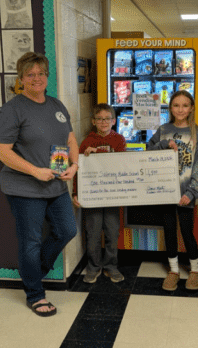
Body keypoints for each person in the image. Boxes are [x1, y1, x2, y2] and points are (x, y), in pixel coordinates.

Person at [0, 52, 78, 317]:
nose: (36, 78)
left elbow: (71, 139)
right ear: (21, 78)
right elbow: (2, 152)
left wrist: (74, 166)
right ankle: (35, 294)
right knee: (29, 241)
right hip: (25, 188)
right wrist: (35, 171)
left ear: (47, 76)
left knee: (67, 230)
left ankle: (33, 271)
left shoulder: (56, 105)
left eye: (41, 73)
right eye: (30, 74)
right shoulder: (12, 109)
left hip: (55, 184)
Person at [147, 90, 198, 292]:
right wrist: (164, 144)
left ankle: (196, 270)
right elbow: (149, 151)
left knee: (187, 231)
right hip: (165, 191)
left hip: (185, 193)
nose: (180, 109)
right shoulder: (163, 130)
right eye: (176, 105)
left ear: (191, 108)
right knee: (169, 230)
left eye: (185, 105)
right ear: (170, 108)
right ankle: (173, 270)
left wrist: (191, 193)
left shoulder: (197, 133)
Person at [72, 104, 127, 284]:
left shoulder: (119, 140)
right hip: (93, 196)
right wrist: (76, 193)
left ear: (114, 121)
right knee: (93, 233)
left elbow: (121, 163)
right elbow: (78, 170)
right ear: (94, 121)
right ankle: (93, 267)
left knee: (112, 232)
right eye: (100, 119)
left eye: (107, 119)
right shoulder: (87, 142)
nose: (104, 122)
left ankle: (111, 266)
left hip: (112, 196)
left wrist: (99, 153)